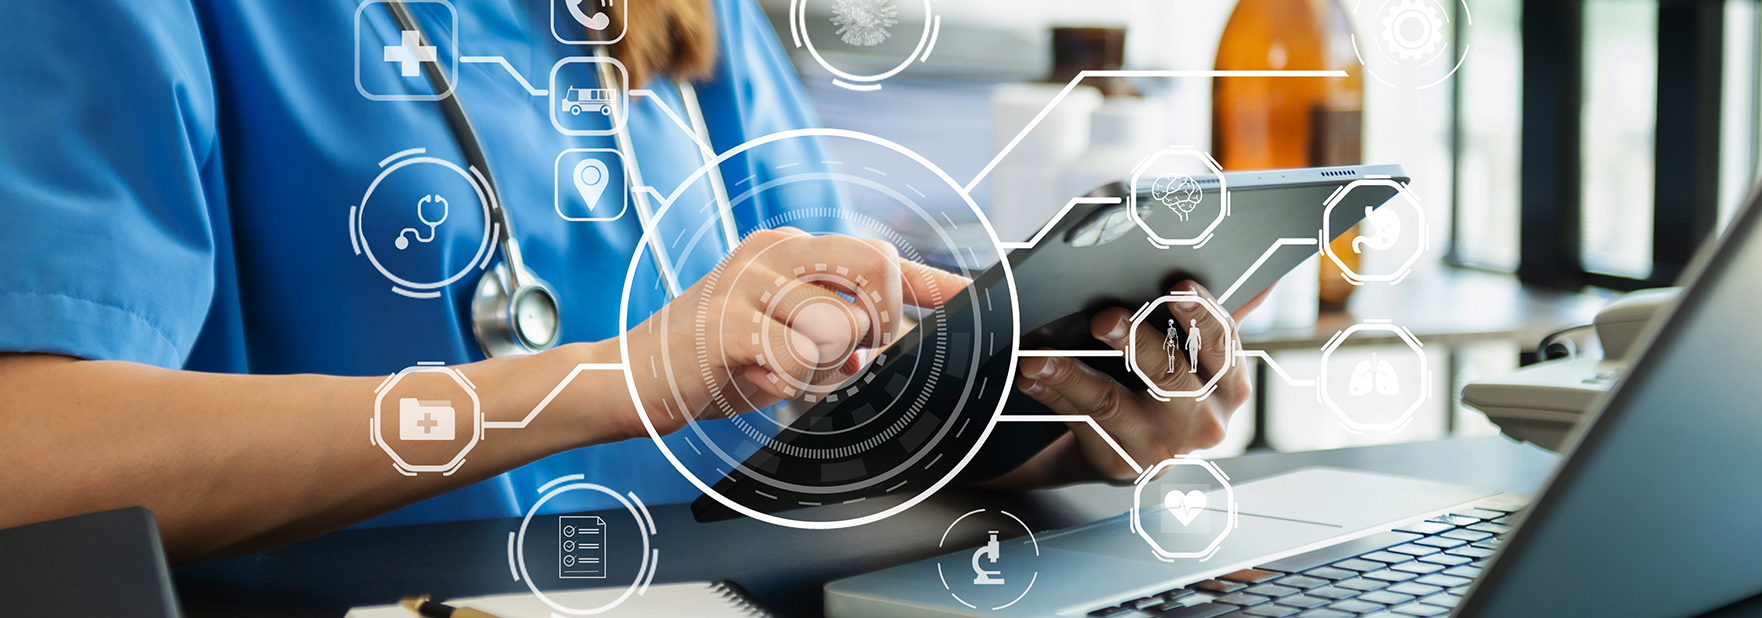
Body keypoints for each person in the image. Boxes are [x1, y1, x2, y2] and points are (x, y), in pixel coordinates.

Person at [0, 0, 1257, 563]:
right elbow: (32, 457)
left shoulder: (673, 15)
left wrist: (1025, 408)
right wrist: (621, 381)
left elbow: (811, 420)